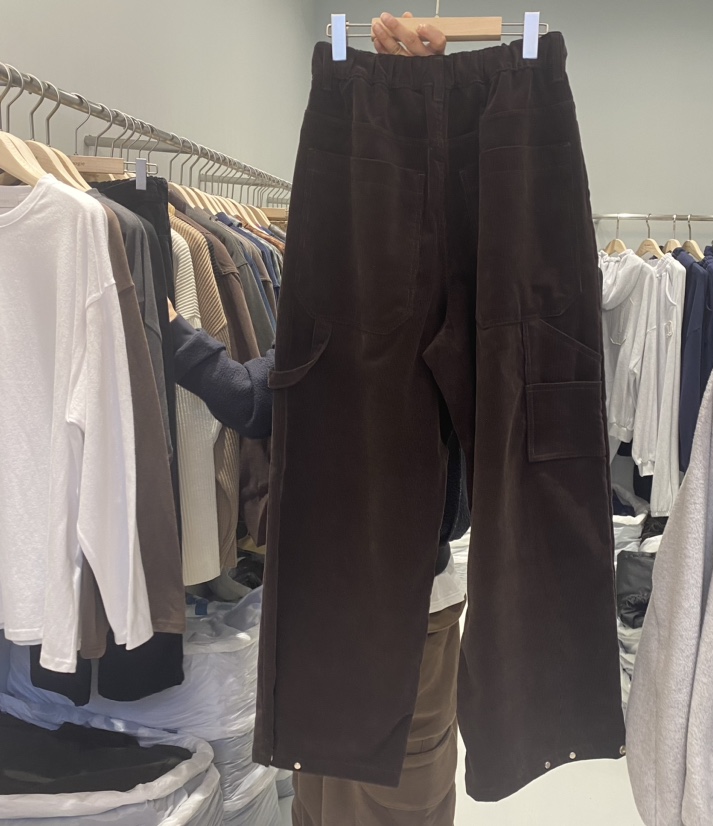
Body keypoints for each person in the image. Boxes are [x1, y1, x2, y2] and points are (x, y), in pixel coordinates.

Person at [169, 14, 466, 826]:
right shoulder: (369, 306)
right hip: (371, 599)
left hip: (368, 600)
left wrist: (167, 329)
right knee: (357, 793)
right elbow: (257, 397)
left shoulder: (383, 304)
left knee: (366, 792)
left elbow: (251, 398)